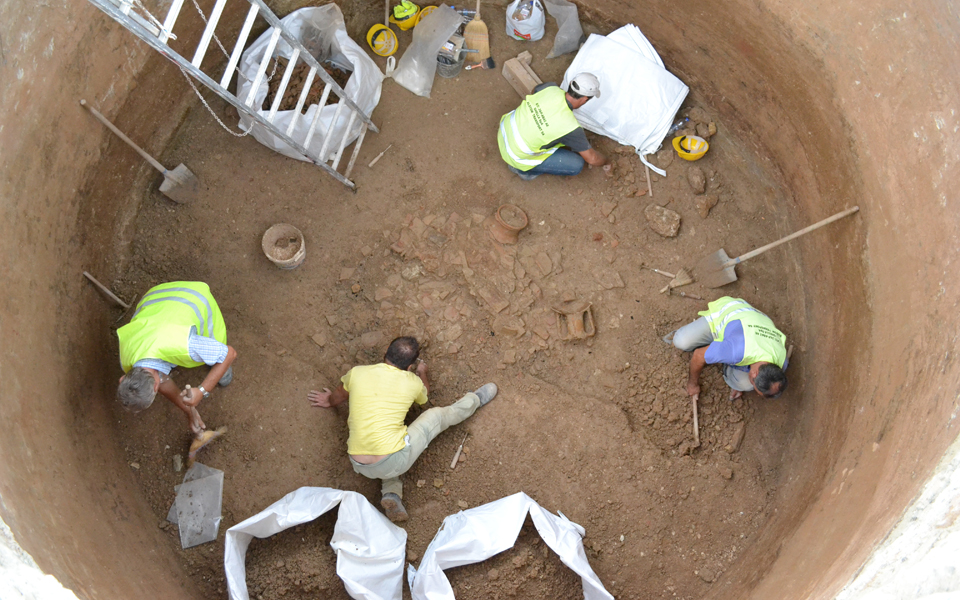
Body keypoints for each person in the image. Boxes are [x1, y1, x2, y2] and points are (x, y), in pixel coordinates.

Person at [307, 336, 498, 522]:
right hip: (394, 460)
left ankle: (391, 493)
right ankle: (475, 400)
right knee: (434, 417)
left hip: (358, 462)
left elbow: (339, 395)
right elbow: (424, 398)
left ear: (386, 354)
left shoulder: (357, 373)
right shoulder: (412, 382)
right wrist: (422, 372)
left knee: (392, 439)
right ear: (409, 367)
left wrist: (329, 401)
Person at [116, 281, 237, 458]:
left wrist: (202, 391)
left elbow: (230, 354)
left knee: (219, 356)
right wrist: (190, 413)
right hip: (155, 296)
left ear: (155, 386)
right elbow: (162, 379)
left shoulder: (183, 344)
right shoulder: (126, 356)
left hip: (195, 297)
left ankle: (218, 366)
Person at [665, 297, 788, 401]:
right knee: (681, 342)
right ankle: (694, 337)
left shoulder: (782, 361)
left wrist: (737, 385)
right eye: (754, 384)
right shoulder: (735, 351)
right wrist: (692, 384)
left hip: (756, 319)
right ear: (754, 374)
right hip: (727, 312)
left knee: (744, 384)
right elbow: (698, 355)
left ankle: (727, 367)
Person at [497, 72, 609, 181]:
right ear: (585, 99)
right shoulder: (570, 127)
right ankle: (523, 171)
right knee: (576, 165)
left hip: (504, 131)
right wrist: (606, 161)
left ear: (570, 84)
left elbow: (534, 91)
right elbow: (592, 159)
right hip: (516, 157)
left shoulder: (550, 88)